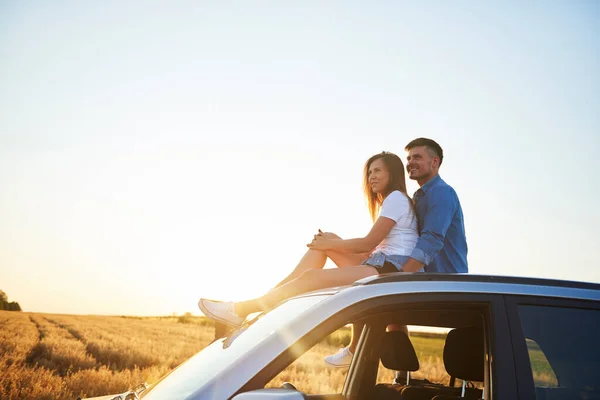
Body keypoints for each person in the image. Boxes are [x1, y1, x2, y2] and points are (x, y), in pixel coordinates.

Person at [197, 151, 419, 338]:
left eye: (377, 171)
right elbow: (371, 247)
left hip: (389, 269)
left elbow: (367, 243)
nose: (371, 177)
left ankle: (242, 309)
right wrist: (329, 243)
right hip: (380, 263)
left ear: (393, 173)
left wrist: (328, 244)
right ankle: (264, 303)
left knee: (311, 277)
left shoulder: (396, 199)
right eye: (369, 172)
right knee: (322, 248)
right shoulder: (393, 201)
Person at [324, 138, 468, 369]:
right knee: (392, 317)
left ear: (435, 162)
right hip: (424, 272)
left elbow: (431, 239)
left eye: (417, 157)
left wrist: (402, 275)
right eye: (409, 158)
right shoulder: (418, 197)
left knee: (375, 292)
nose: (411, 162)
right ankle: (400, 375)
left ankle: (355, 350)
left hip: (444, 277)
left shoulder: (441, 193)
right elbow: (403, 238)